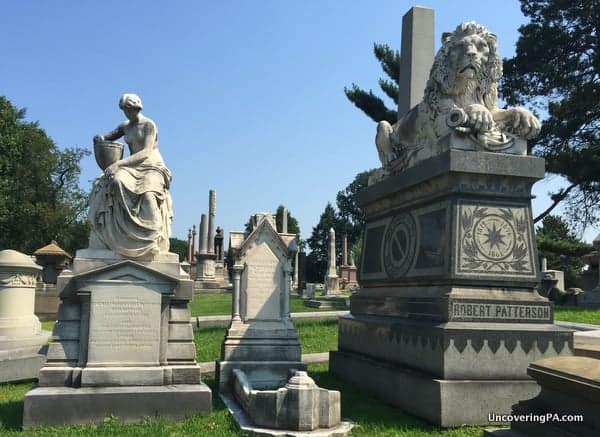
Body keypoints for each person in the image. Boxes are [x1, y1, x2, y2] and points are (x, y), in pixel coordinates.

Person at [89, 93, 172, 258]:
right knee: (116, 181)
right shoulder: (125, 126)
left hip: (152, 166)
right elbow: (108, 136)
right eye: (125, 110)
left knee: (148, 195)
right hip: (132, 167)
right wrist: (100, 138)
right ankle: (121, 236)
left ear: (137, 108)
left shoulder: (149, 125)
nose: (127, 113)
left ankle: (151, 239)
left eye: (130, 109)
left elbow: (147, 152)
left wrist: (118, 164)